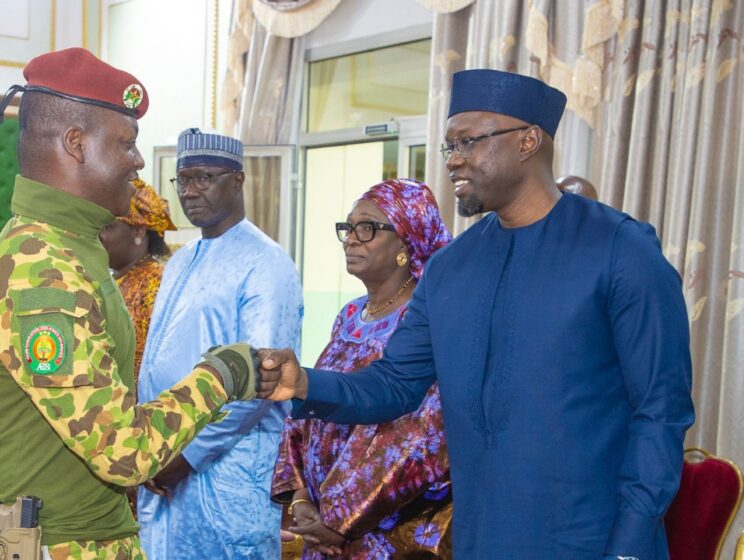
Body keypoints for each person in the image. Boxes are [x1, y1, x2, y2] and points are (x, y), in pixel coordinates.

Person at [255, 69, 694, 559]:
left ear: (528, 141)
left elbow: (660, 411)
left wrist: (630, 546)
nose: (454, 160)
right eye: (449, 146)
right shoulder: (448, 269)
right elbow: (393, 385)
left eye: (468, 142)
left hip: (591, 540)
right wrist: (305, 384)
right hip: (480, 539)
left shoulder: (620, 249)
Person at [0, 48, 260, 560]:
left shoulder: (68, 247)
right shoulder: (41, 269)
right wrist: (224, 374)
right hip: (51, 546)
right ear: (76, 144)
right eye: (127, 144)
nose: (138, 160)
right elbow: (123, 451)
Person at [137, 128, 304, 558]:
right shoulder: (180, 261)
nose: (190, 192)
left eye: (204, 178)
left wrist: (187, 456)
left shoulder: (265, 263)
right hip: (163, 459)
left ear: (238, 180)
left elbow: (260, 382)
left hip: (227, 474)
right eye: (183, 180)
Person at [272, 179, 453, 559]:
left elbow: (418, 432)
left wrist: (340, 519)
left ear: (407, 241)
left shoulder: (429, 322)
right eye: (349, 228)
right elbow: (308, 411)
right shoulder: (350, 315)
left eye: (368, 228)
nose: (352, 239)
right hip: (323, 525)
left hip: (385, 532)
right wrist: (302, 498)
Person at [99, 178, 176, 381]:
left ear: (138, 230)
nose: (98, 234)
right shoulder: (112, 279)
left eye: (107, 227)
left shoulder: (156, 285)